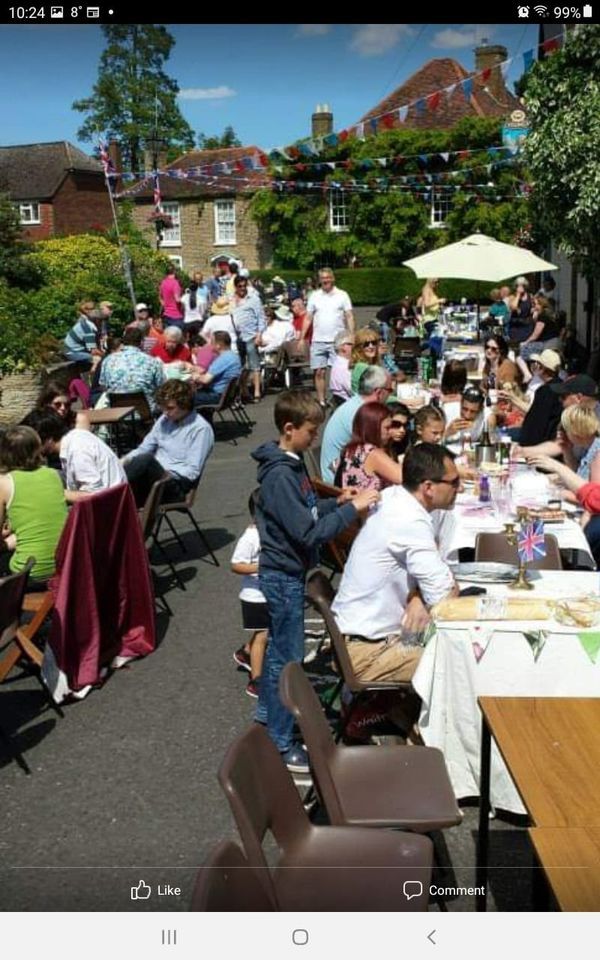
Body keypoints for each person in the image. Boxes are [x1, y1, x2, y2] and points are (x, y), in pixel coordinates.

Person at [251, 389, 380, 772]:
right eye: (311, 431)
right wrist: (350, 511)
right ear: (289, 429)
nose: (316, 439)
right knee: (287, 659)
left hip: (286, 572)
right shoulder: (280, 474)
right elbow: (307, 533)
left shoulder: (290, 466)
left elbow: (305, 511)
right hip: (283, 575)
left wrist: (336, 501)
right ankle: (279, 738)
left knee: (279, 654)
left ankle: (266, 716)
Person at [331, 443, 460, 705]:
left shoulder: (393, 497)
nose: (461, 488)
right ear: (428, 487)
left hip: (356, 634)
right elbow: (447, 599)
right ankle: (436, 741)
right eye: (454, 482)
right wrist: (425, 594)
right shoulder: (409, 520)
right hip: (366, 651)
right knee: (460, 663)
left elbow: (425, 565)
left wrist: (415, 595)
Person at [123, 380, 214, 506]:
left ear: (185, 405)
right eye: (163, 407)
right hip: (154, 478)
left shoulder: (200, 429)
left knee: (147, 460)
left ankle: (110, 488)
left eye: (170, 408)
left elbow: (192, 472)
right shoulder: (164, 420)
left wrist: (165, 472)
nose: (165, 412)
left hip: (175, 485)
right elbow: (144, 448)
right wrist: (122, 461)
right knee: (131, 460)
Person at [0, 425, 67, 583]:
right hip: (65, 566)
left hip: (28, 574)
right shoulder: (53, 475)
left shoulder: (4, 483)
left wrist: (5, 542)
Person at [28, 410, 126, 502]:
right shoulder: (74, 439)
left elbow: (94, 495)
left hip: (110, 508)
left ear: (48, 439)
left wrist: (54, 493)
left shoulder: (77, 450)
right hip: (112, 501)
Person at [320, 366, 393, 484]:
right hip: (340, 482)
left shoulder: (355, 404)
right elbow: (375, 453)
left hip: (339, 471)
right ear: (379, 392)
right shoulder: (362, 414)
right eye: (390, 391)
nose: (390, 396)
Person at [231, 489, 268, 700]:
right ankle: (256, 681)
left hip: (266, 593)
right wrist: (259, 567)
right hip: (254, 596)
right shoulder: (251, 537)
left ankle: (246, 652)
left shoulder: (268, 533)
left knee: (262, 633)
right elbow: (236, 565)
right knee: (262, 636)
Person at [305, 268, 354, 407]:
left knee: (337, 371)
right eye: (323, 278)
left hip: (337, 340)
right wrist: (301, 336)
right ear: (319, 280)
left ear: (333, 278)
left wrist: (351, 335)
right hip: (318, 339)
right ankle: (321, 400)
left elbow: (349, 316)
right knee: (319, 372)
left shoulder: (342, 295)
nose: (326, 280)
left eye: (328, 277)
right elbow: (308, 317)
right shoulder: (314, 296)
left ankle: (337, 398)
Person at [335, 402, 402, 491]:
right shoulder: (372, 453)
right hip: (371, 503)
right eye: (387, 428)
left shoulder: (352, 449)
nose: (390, 432)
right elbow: (404, 478)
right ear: (373, 428)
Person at [99, 327, 165, 408]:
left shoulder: (108, 360)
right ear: (141, 342)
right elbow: (162, 387)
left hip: (117, 411)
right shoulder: (152, 362)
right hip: (146, 411)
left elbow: (103, 386)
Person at [511, 349, 563, 447]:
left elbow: (535, 424)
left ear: (541, 367)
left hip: (541, 444)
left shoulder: (545, 391)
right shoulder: (561, 386)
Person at [230, 274, 266, 403]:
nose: (242, 289)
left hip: (251, 335)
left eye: (244, 286)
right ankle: (242, 391)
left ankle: (257, 391)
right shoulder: (231, 299)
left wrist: (259, 334)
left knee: (254, 364)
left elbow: (261, 318)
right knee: (239, 366)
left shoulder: (254, 299)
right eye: (240, 286)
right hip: (237, 337)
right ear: (236, 287)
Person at [194, 331, 242, 406]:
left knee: (183, 398)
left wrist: (193, 375)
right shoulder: (234, 356)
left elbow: (205, 380)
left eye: (212, 342)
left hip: (217, 395)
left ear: (218, 345)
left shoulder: (223, 359)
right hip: (227, 395)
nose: (209, 344)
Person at [558, 405, 600, 483]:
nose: (562, 433)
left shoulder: (597, 452)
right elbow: (577, 474)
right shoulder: (588, 448)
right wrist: (567, 450)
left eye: (565, 429)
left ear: (575, 430)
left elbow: (594, 491)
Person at [519, 294, 561, 361]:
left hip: (548, 343)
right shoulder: (546, 315)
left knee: (524, 349)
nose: (534, 306)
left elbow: (536, 334)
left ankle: (525, 369)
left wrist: (525, 342)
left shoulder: (542, 316)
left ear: (541, 305)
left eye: (535, 304)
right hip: (553, 342)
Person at [63, 302, 103, 367]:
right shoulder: (87, 328)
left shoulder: (85, 323)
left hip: (76, 350)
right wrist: (105, 355)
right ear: (97, 320)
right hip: (72, 352)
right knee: (98, 359)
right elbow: (93, 350)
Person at [349, 327, 380, 394]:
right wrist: (400, 399)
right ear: (358, 348)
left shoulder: (369, 365)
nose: (371, 346)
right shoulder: (362, 367)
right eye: (366, 344)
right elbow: (376, 396)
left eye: (374, 343)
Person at [329, 331, 354, 405]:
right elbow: (353, 390)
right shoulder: (343, 367)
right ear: (341, 347)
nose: (355, 347)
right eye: (351, 344)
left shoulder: (339, 363)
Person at [507, 277, 533, 343]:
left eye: (522, 285)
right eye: (518, 285)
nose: (520, 287)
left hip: (527, 326)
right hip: (515, 326)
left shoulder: (530, 296)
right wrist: (518, 294)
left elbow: (533, 309)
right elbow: (513, 307)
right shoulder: (512, 297)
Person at [159, 263, 184, 328]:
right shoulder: (175, 283)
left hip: (166, 315)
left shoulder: (163, 282)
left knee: (168, 337)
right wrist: (185, 299)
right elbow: (177, 299)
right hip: (176, 316)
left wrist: (165, 305)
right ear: (174, 271)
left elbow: (160, 297)